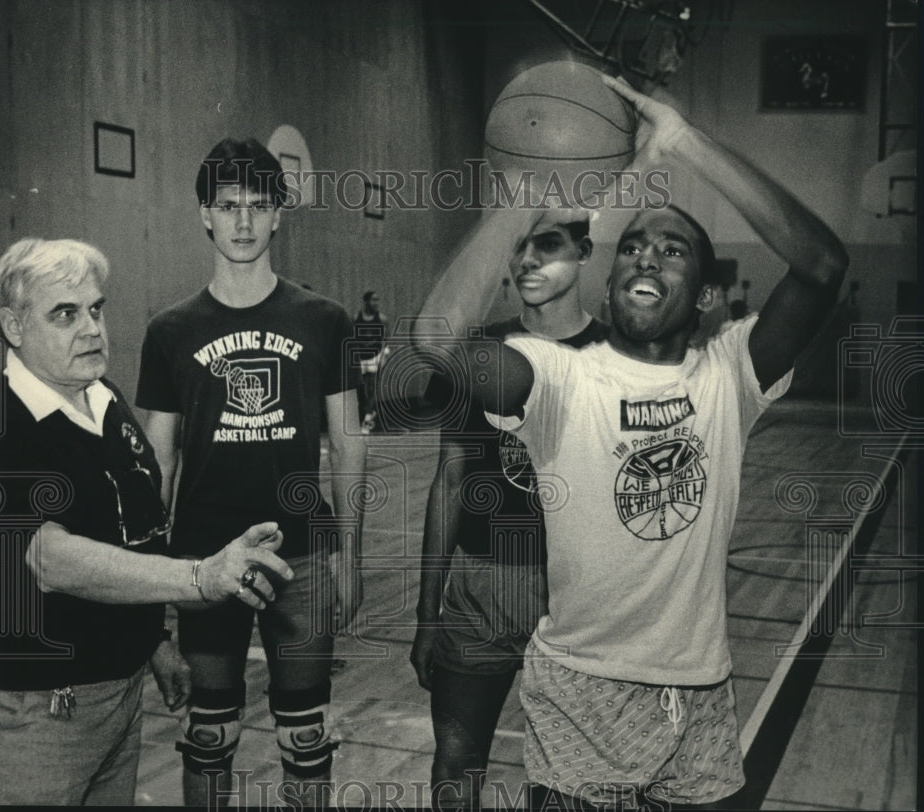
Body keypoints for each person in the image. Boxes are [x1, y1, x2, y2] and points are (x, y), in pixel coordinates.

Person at [413, 74, 848, 810]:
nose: (647, 255)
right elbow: (435, 341)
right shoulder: (558, 375)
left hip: (697, 689)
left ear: (708, 295)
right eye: (635, 246)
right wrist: (522, 193)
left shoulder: (727, 376)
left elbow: (823, 267)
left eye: (673, 250)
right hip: (569, 670)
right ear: (608, 278)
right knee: (463, 763)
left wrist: (685, 142)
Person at [0, 238, 293, 806]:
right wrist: (200, 577)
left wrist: (152, 642)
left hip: (117, 693)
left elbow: (130, 531)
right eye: (65, 314)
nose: (91, 328)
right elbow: (52, 559)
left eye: (96, 309)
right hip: (36, 710)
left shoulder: (105, 402)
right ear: (13, 325)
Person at [136, 138, 366, 806]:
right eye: (228, 205)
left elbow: (349, 446)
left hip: (299, 554)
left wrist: (349, 558)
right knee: (210, 734)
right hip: (205, 561)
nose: (243, 222)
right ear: (204, 213)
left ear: (279, 216)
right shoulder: (170, 331)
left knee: (306, 736)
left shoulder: (323, 320)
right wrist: (156, 594)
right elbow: (158, 465)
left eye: (258, 206)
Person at [410, 213, 608, 807]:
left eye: (548, 245)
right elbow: (450, 480)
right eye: (518, 246)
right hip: (482, 584)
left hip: (580, 594)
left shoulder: (615, 356)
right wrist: (426, 614)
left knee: (570, 777)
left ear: (584, 252)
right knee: (456, 761)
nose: (527, 260)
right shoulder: (478, 351)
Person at [353, 290, 389, 433]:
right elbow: (352, 338)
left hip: (375, 356)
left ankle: (367, 419)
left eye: (377, 300)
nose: (376, 303)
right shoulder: (356, 317)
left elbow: (385, 339)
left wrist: (384, 356)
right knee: (361, 390)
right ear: (366, 301)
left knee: (372, 388)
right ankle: (368, 412)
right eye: (373, 300)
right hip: (361, 357)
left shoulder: (381, 318)